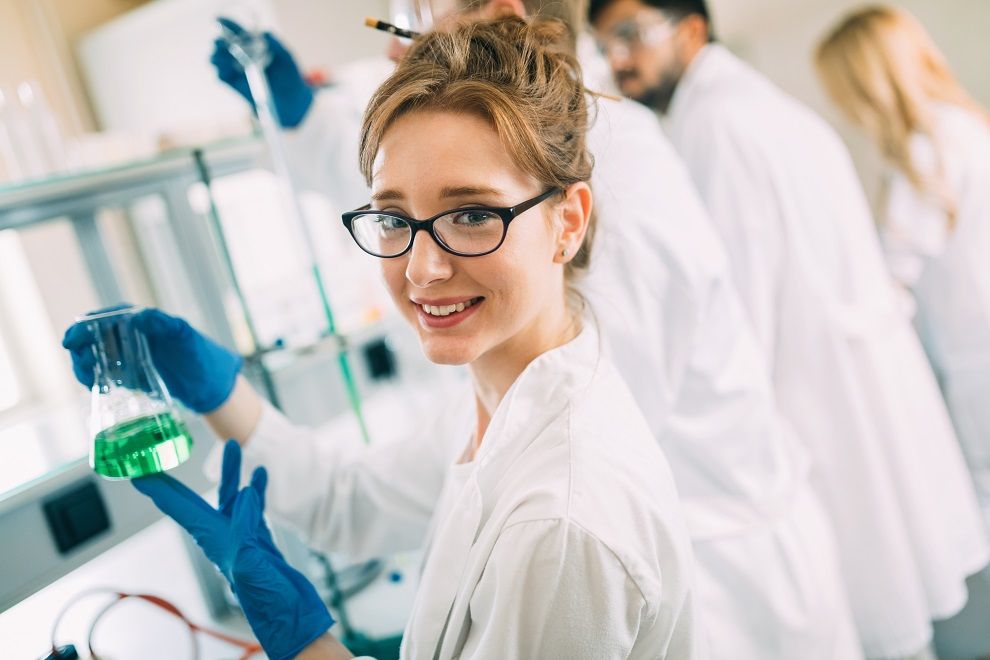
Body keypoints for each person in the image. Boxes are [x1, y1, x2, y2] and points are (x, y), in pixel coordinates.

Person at [89, 16, 709, 658]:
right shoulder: (502, 398)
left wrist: (303, 642)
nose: (421, 269)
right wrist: (218, 392)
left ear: (567, 223)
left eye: (471, 215)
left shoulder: (560, 525)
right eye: (392, 218)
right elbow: (349, 502)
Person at [587, 1, 990, 659]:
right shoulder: (754, 107)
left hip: (820, 404)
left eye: (631, 35)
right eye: (606, 43)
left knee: (871, 609)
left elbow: (739, 311)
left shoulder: (715, 125)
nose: (618, 58)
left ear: (691, 30)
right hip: (861, 386)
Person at [816, 4, 990, 537]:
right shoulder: (966, 126)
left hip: (975, 358)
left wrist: (827, 326)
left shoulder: (924, 150)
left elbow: (891, 281)